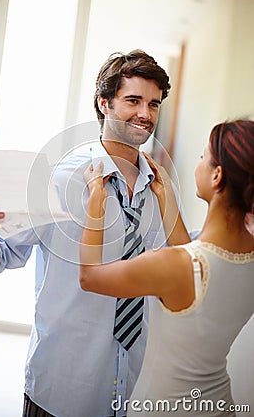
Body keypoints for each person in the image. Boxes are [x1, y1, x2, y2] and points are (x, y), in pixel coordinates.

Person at [0, 50, 181, 417]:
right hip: (63, 386)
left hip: (135, 390)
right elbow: (2, 255)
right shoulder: (61, 178)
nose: (145, 114)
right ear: (104, 103)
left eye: (153, 104)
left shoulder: (162, 190)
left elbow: (181, 262)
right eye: (133, 100)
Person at [80, 118, 254, 416]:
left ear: (217, 176)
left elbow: (90, 277)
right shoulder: (240, 256)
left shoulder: (171, 265)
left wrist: (97, 199)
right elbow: (198, 265)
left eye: (203, 158)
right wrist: (166, 197)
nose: (198, 164)